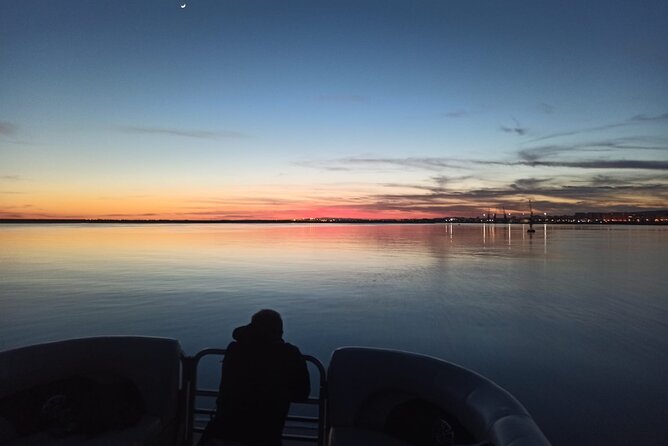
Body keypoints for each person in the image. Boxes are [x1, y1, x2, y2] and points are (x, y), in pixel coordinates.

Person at [199, 309, 310, 446]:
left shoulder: (234, 349)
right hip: (265, 436)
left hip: (222, 432)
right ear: (279, 332)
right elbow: (302, 394)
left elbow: (238, 334)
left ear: (251, 328)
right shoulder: (289, 354)